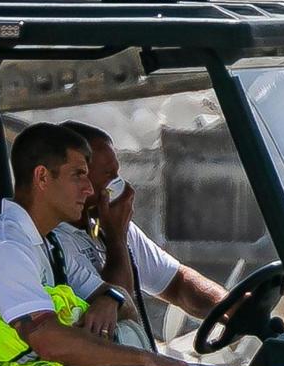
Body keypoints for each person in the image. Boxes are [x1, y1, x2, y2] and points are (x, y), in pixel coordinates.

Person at [0, 122, 217, 366]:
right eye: (78, 175)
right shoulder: (6, 248)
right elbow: (49, 340)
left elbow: (122, 301)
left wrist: (110, 299)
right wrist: (147, 359)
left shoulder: (46, 242)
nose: (89, 189)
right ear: (42, 177)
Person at [54, 121, 228, 343]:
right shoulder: (57, 241)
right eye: (108, 174)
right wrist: (117, 237)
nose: (119, 184)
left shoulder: (105, 224)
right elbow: (119, 307)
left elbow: (177, 283)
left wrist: (231, 308)